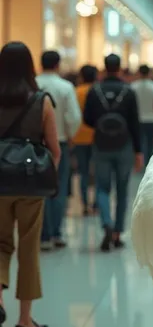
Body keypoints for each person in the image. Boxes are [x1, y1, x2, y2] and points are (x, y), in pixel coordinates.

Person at [0, 42, 60, 327]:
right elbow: (54, 149)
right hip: (29, 182)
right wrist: (50, 175)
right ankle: (25, 319)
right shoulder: (41, 100)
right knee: (28, 247)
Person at [83, 54, 143, 251]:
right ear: (119, 68)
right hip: (124, 145)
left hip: (101, 144)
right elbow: (135, 123)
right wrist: (138, 151)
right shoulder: (128, 91)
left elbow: (88, 120)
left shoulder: (94, 91)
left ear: (104, 68)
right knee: (123, 190)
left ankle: (106, 223)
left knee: (102, 187)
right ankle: (117, 233)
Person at [36, 50, 81, 250]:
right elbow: (73, 116)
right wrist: (70, 135)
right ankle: (57, 233)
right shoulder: (66, 87)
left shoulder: (33, 85)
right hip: (60, 143)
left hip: (35, 144)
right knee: (59, 188)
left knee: (39, 189)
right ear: (57, 65)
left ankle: (43, 235)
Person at [72, 65, 97, 215]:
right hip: (97, 137)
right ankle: (96, 204)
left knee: (83, 172)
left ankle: (84, 205)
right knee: (98, 172)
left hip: (79, 136)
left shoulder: (76, 92)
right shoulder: (97, 91)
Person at [132, 64, 153, 166]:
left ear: (139, 72)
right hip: (151, 118)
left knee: (139, 142)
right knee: (150, 143)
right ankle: (148, 162)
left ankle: (139, 161)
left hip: (137, 119)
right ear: (149, 73)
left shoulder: (133, 87)